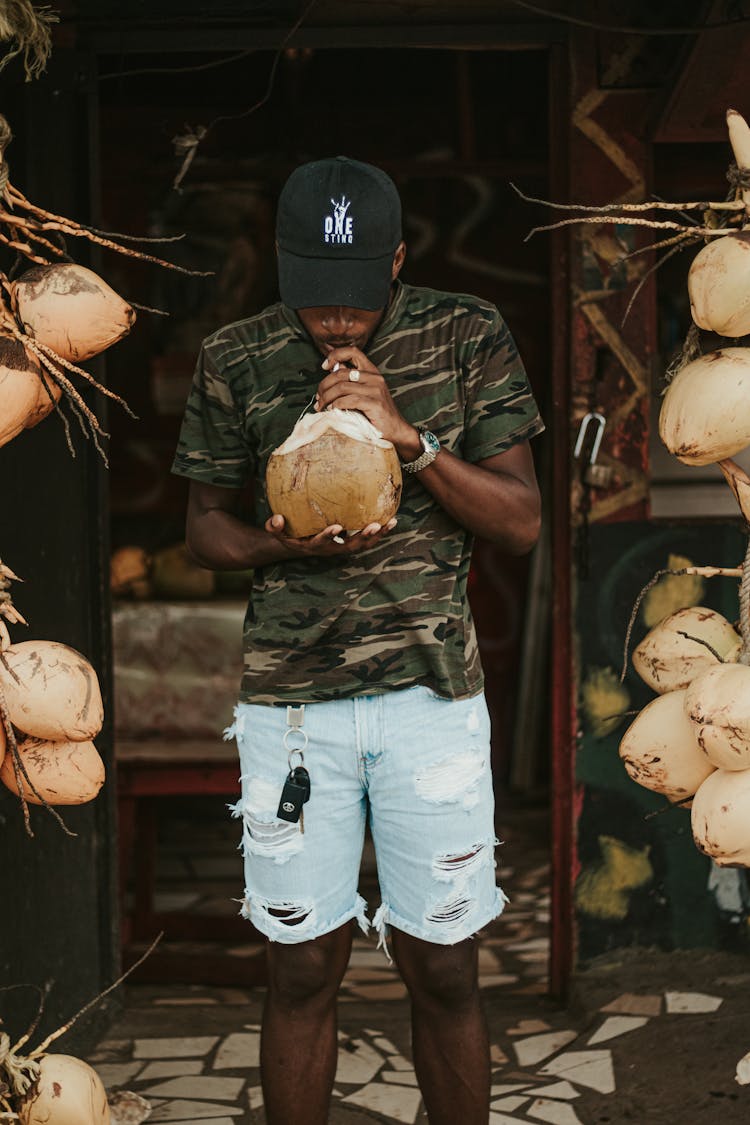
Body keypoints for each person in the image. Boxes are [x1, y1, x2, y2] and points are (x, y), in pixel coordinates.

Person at [172, 155, 544, 1125]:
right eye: (314, 299)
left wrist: (409, 440)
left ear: (397, 263)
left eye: (353, 300)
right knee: (300, 972)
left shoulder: (467, 336)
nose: (334, 323)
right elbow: (201, 528)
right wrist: (272, 542)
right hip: (291, 711)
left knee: (447, 971)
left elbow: (520, 521)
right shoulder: (238, 356)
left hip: (433, 703)